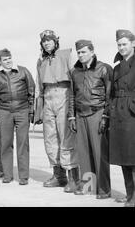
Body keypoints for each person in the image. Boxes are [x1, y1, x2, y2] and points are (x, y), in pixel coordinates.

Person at [35, 30, 80, 192]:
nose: (47, 43)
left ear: (55, 41)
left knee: (66, 137)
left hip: (64, 93)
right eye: (44, 41)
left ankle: (74, 178)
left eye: (49, 40)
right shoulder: (41, 60)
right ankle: (58, 175)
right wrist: (38, 110)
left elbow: (76, 79)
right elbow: (38, 85)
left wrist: (74, 107)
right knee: (50, 138)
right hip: (48, 97)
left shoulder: (66, 54)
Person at [68, 40, 112, 199]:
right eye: (78, 52)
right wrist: (71, 116)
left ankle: (104, 189)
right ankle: (88, 186)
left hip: (97, 113)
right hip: (80, 114)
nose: (80, 55)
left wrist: (106, 116)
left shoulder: (104, 69)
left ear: (92, 52)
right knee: (84, 153)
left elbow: (109, 96)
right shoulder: (74, 72)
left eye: (84, 52)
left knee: (100, 153)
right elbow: (72, 95)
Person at [0, 48, 35, 185]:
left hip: (22, 110)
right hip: (4, 112)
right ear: (0, 62)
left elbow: (32, 91)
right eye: (5, 60)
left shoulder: (23, 71)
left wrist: (32, 111)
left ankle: (24, 176)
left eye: (9, 58)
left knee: (23, 143)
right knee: (6, 143)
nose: (8, 61)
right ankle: (7, 175)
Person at [110, 29, 135, 207]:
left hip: (132, 113)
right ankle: (129, 195)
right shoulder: (117, 67)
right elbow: (111, 93)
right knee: (123, 157)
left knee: (133, 157)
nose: (122, 47)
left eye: (125, 44)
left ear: (133, 43)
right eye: (119, 44)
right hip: (118, 113)